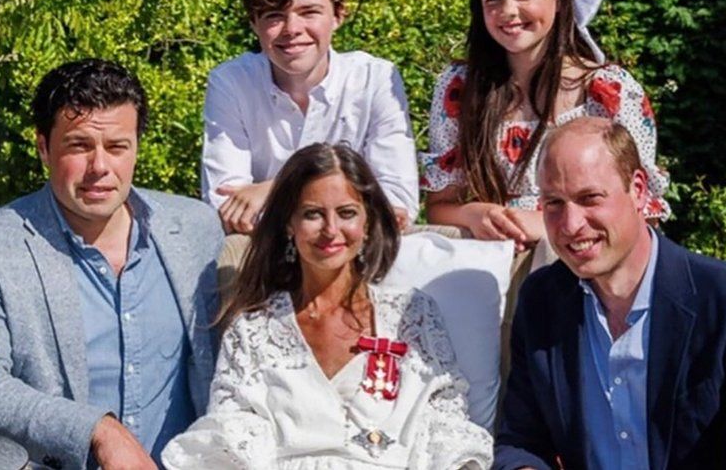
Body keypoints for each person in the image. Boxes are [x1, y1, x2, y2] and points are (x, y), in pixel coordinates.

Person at [0, 59, 223, 470]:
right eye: (79, 145)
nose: (100, 167)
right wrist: (98, 430)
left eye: (117, 147)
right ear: (43, 147)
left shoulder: (197, 231)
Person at [494, 116, 726, 469]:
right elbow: (521, 439)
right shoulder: (542, 301)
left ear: (639, 190)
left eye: (590, 198)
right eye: (554, 203)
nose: (570, 224)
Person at [163, 143, 492, 469]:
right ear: (289, 224)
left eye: (346, 213)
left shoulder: (413, 315)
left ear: (367, 222)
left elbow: (444, 423)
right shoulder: (253, 329)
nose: (331, 230)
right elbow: (230, 436)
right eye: (313, 214)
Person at [421, 0, 670, 246]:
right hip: (492, 270)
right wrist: (476, 214)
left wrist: (549, 223)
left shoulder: (610, 92)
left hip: (583, 270)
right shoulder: (461, 88)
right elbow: (439, 207)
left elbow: (641, 213)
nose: (508, 12)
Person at [202, 0, 419, 234]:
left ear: (338, 14)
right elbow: (228, 206)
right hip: (268, 258)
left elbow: (397, 203)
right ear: (254, 23)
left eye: (308, 12)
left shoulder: (375, 79)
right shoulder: (231, 83)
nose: (292, 29)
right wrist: (349, 204)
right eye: (274, 15)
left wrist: (275, 187)